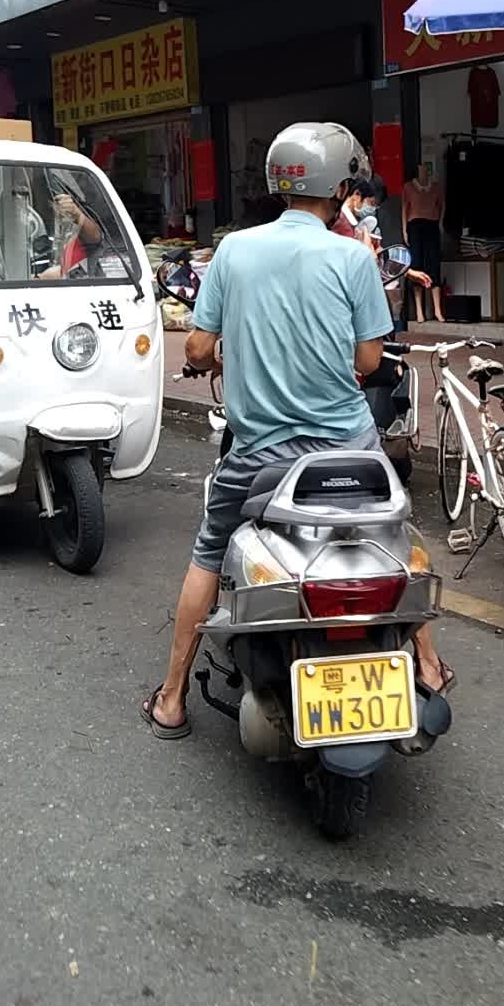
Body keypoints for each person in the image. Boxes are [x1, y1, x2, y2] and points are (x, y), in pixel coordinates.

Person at [141, 121, 453, 739]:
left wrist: (218, 355)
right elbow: (369, 360)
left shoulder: (234, 251)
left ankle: (172, 698)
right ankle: (428, 664)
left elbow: (197, 347)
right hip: (351, 449)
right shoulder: (353, 256)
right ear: (338, 187)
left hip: (260, 455)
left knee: (209, 551)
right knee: (392, 537)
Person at [402, 163, 444, 323]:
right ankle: (419, 310)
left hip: (432, 226)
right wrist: (405, 230)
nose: (424, 171)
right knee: (417, 265)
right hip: (415, 226)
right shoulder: (408, 187)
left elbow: (442, 206)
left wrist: (440, 224)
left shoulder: (436, 187)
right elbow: (404, 209)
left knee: (434, 264)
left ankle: (437, 310)